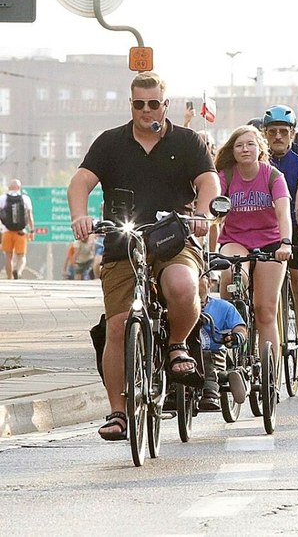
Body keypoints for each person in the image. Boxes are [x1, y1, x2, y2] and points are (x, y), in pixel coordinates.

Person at [68, 71, 218, 441]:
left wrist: (202, 212)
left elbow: (208, 181)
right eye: (139, 104)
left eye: (154, 104)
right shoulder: (110, 143)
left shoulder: (187, 142)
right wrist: (79, 215)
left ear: (165, 105)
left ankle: (178, 344)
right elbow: (81, 181)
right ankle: (118, 412)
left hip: (173, 238)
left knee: (182, 285)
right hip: (123, 242)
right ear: (131, 104)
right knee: (118, 325)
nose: (146, 110)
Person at [209, 125, 294, 369]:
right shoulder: (226, 176)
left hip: (271, 243)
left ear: (260, 149)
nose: (245, 149)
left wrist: (286, 242)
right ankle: (229, 334)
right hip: (236, 240)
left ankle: (270, 372)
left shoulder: (273, 176)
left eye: (250, 144)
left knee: (265, 308)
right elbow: (213, 209)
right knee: (233, 276)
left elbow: (283, 213)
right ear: (232, 151)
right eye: (239, 145)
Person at [263, 105, 298, 381]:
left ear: (292, 134)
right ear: (264, 134)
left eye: (282, 132)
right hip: (265, 229)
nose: (277, 136)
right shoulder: (258, 159)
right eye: (272, 132)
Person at [196, 275, 248, 412]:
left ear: (210, 283)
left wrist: (236, 337)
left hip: (213, 353)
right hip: (186, 352)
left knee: (208, 362)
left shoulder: (224, 307)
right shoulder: (175, 305)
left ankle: (211, 390)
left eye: (198, 276)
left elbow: (240, 327)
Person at [0, 179, 34, 279]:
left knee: (8, 256)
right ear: (19, 188)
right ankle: (18, 271)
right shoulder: (25, 198)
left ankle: (9, 278)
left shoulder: (2, 198)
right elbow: (30, 216)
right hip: (21, 231)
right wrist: (32, 230)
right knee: (21, 256)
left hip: (7, 231)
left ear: (9, 187)